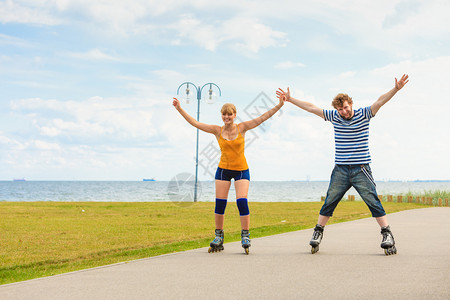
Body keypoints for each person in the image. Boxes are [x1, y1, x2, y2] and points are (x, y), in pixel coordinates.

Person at [277, 74, 409, 255]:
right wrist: (290, 99)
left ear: (351, 104)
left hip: (361, 168)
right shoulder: (334, 117)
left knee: (373, 201)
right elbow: (311, 107)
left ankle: (387, 235)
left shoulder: (364, 114)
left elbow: (380, 101)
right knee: (330, 200)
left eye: (345, 108)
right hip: (340, 169)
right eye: (340, 109)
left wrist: (396, 89)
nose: (344, 112)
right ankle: (318, 232)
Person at [172, 96, 284, 254]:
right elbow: (195, 123)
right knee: (220, 204)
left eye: (229, 114)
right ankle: (219, 236)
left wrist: (279, 105)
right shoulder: (217, 130)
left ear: (235, 115)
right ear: (221, 116)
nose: (227, 117)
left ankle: (245, 235)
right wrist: (179, 108)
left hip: (241, 170)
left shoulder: (242, 127)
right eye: (224, 114)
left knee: (241, 201)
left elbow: (262, 117)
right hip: (223, 170)